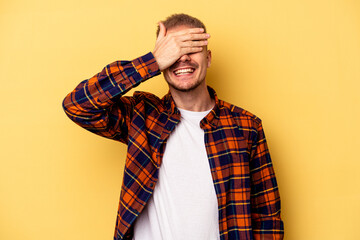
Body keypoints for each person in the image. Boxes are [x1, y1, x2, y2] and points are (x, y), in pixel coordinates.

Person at [63, 13, 284, 240]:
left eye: (191, 48)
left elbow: (267, 216)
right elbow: (78, 105)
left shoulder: (246, 126)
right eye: (174, 50)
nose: (182, 58)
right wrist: (152, 61)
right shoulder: (142, 116)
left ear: (208, 58)